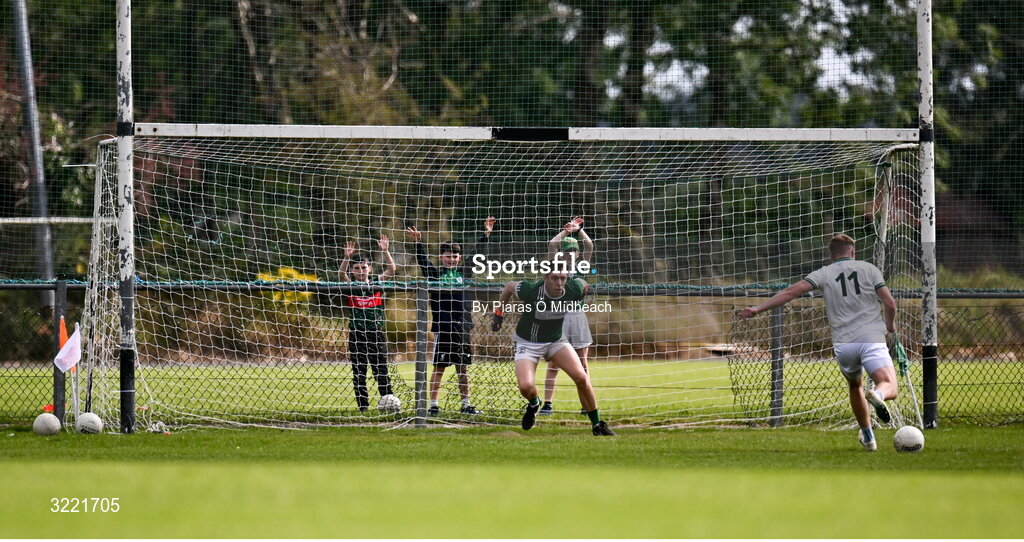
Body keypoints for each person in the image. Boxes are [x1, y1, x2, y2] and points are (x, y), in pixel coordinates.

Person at [738, 234, 898, 451]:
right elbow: (889, 303)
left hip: (843, 344)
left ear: (830, 255)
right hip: (870, 338)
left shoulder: (824, 273)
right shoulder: (869, 269)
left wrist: (758, 309)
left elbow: (789, 292)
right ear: (853, 252)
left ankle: (869, 439)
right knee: (888, 385)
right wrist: (890, 325)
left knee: (855, 386)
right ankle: (878, 395)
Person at [491, 270, 615, 436]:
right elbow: (508, 287)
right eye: (555, 278)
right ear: (545, 278)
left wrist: (585, 286)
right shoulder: (531, 290)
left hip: (555, 341)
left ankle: (597, 424)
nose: (559, 282)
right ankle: (534, 403)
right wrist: (499, 314)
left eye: (563, 278)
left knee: (581, 376)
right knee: (526, 386)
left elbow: (582, 282)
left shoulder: (572, 289)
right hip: (528, 343)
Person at [405, 217, 495, 416]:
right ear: (442, 258)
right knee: (439, 368)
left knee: (462, 368)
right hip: (443, 329)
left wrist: (486, 234)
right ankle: (433, 405)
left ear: (459, 258)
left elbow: (475, 255)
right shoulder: (435, 276)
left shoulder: (464, 273)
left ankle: (466, 404)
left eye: (454, 256)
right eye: (447, 256)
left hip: (461, 329)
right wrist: (418, 243)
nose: (451, 259)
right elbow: (423, 262)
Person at [539, 217, 595, 416]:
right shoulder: (555, 266)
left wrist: (578, 230)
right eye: (565, 250)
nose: (569, 254)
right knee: (554, 362)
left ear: (578, 253)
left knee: (582, 362)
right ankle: (547, 403)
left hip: (577, 316)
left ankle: (586, 404)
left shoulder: (583, 266)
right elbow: (552, 244)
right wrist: (565, 232)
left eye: (573, 251)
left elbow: (589, 244)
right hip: (557, 316)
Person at [338, 235, 396, 412]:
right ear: (353, 271)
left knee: (381, 369)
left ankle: (388, 401)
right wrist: (347, 258)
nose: (361, 271)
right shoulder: (351, 285)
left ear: (369, 269)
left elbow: (392, 269)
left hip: (375, 332)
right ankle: (363, 406)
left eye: (364, 267)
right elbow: (341, 274)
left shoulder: (377, 282)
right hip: (357, 334)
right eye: (357, 268)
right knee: (359, 371)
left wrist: (385, 251)